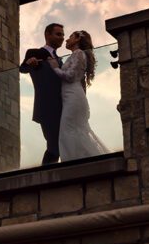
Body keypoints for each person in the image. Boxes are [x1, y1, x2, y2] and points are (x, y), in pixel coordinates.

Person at [47, 29, 109, 161]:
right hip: (71, 97)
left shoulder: (78, 53)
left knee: (68, 131)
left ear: (77, 40)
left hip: (73, 98)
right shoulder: (75, 55)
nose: (67, 39)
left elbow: (70, 76)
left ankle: (75, 161)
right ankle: (79, 160)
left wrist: (54, 67)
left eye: (70, 37)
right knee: (71, 131)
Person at [20, 23, 65, 165]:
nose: (62, 38)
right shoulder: (35, 52)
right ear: (47, 34)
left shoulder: (60, 60)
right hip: (46, 107)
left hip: (62, 107)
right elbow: (23, 68)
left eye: (63, 35)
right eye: (58, 34)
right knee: (54, 145)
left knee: (61, 143)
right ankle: (46, 175)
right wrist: (30, 62)